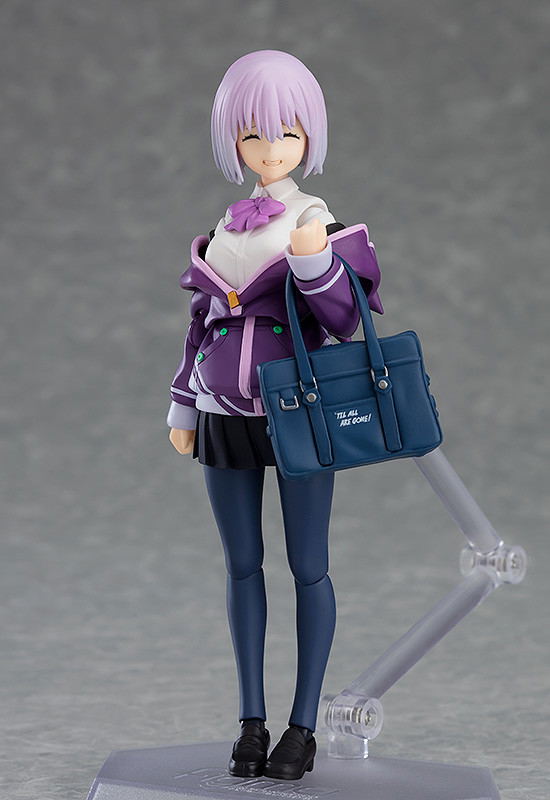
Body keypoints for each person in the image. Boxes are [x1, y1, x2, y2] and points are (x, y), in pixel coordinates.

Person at [167, 50, 382, 781]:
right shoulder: (226, 223)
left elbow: (346, 319)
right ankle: (251, 721)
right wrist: (183, 401)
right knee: (241, 565)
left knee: (308, 566)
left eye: (286, 133)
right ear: (233, 138)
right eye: (253, 133)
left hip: (299, 412)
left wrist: (314, 261)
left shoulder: (315, 218)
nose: (269, 148)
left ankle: (303, 724)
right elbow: (200, 324)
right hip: (221, 411)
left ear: (308, 136)